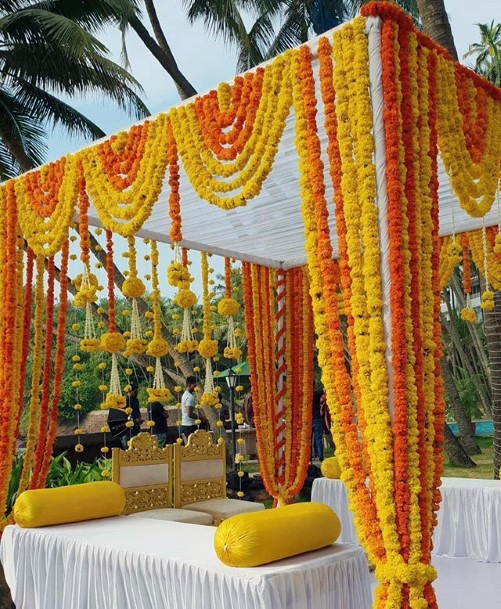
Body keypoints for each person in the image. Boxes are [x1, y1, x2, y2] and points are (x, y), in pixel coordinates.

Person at [181, 376, 199, 440]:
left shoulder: (185, 394)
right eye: (195, 385)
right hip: (190, 426)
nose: (196, 387)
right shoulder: (189, 397)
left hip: (186, 425)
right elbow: (190, 414)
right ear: (189, 385)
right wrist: (201, 418)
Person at [311, 386, 325, 462]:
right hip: (317, 420)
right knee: (318, 440)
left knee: (308, 440)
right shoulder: (316, 394)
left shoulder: (305, 396)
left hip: (308, 421)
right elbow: (324, 389)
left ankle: (309, 457)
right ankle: (320, 457)